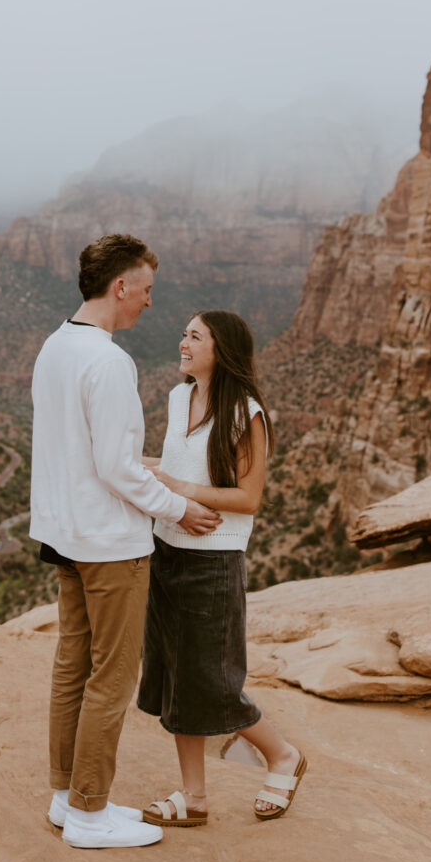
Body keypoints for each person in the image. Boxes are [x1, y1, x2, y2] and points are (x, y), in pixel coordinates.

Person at [30, 234, 222, 850]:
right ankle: (89, 814)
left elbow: (78, 452)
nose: (147, 303)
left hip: (63, 534)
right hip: (109, 544)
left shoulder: (55, 346)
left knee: (72, 666)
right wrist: (181, 509)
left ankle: (66, 796)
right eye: (145, 290)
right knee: (111, 676)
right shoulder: (109, 360)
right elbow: (115, 467)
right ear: (120, 287)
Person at [138, 310, 307, 827]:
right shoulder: (177, 397)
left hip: (213, 562)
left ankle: (282, 756)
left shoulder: (246, 414)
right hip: (165, 550)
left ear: (221, 350)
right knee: (173, 677)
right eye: (184, 332)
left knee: (212, 680)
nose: (182, 341)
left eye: (194, 336)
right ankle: (194, 798)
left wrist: (181, 490)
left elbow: (249, 497)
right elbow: (170, 470)